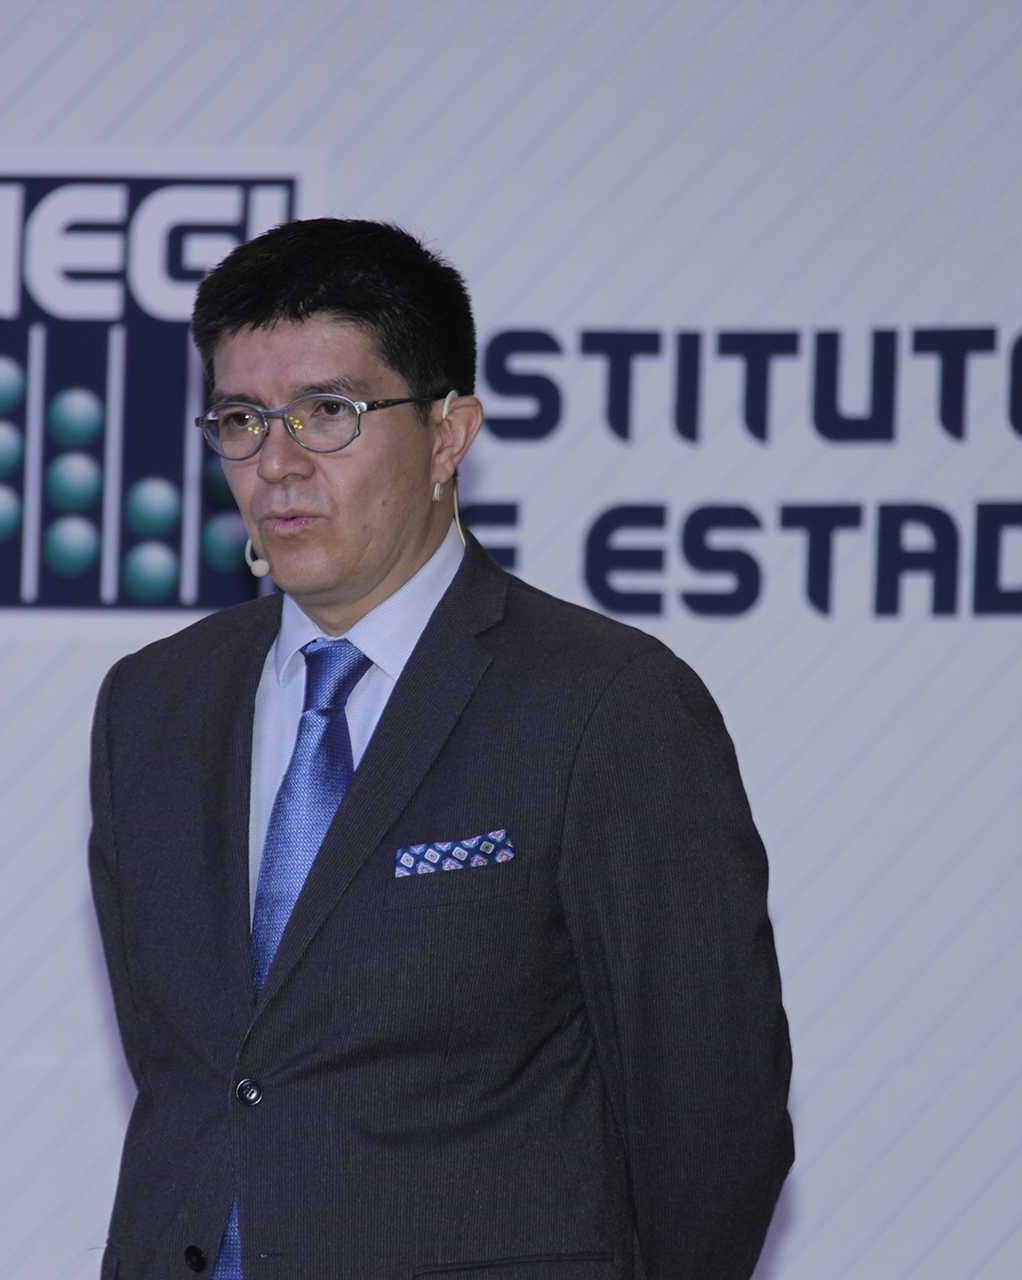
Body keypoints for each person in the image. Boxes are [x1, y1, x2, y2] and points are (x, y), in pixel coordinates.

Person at [87, 219, 792, 1280]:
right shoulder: (154, 706)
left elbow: (711, 1125)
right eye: (240, 419)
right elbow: (196, 1078)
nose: (276, 463)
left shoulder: (605, 703)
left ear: (449, 434)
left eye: (328, 411)